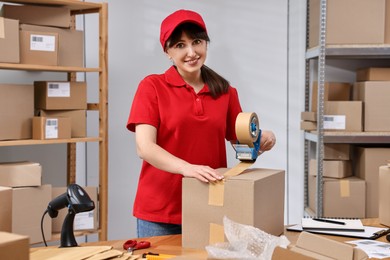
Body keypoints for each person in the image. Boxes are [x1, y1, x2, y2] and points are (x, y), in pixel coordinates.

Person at [126, 9, 276, 238]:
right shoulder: (152, 87)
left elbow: (242, 145)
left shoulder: (225, 92)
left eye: (197, 42)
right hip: (160, 211)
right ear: (167, 52)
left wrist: (262, 140)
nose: (191, 52)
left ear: (206, 43)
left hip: (209, 204)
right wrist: (188, 169)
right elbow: (144, 147)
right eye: (180, 45)